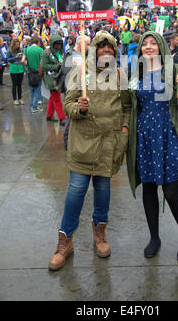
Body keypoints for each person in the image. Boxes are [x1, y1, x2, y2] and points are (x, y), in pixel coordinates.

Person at [48, 32, 131, 271]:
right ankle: (65, 241)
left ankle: (100, 233)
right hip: (84, 143)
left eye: (110, 48)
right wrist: (79, 108)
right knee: (76, 191)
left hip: (109, 144)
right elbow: (67, 104)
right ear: (93, 50)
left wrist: (124, 128)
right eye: (101, 48)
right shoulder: (80, 72)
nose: (106, 51)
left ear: (115, 52)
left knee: (103, 190)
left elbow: (126, 105)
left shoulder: (119, 74)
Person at [127, 32, 178, 261]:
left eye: (153, 43)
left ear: (160, 47)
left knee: (171, 192)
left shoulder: (172, 70)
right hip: (145, 136)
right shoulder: (136, 71)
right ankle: (154, 237)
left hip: (168, 134)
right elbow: (129, 103)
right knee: (148, 189)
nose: (148, 47)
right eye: (144, 44)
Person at [40, 34, 66, 126]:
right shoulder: (45, 53)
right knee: (56, 97)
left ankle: (49, 115)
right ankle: (62, 118)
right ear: (52, 44)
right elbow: (43, 66)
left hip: (59, 77)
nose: (58, 46)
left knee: (53, 97)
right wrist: (56, 66)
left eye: (59, 44)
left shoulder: (60, 52)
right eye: (56, 44)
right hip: (51, 78)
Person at [25, 36, 43, 113]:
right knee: (37, 90)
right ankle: (34, 106)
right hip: (38, 72)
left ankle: (33, 104)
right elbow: (42, 62)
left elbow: (23, 60)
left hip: (29, 72)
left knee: (31, 90)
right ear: (38, 42)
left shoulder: (26, 49)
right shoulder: (40, 50)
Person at [7, 38, 25, 106]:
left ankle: (20, 98)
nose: (18, 46)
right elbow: (8, 59)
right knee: (14, 84)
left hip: (20, 67)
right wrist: (15, 57)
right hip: (13, 68)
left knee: (20, 84)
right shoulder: (10, 50)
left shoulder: (21, 49)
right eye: (16, 44)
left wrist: (22, 56)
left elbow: (24, 56)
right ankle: (15, 99)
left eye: (18, 44)